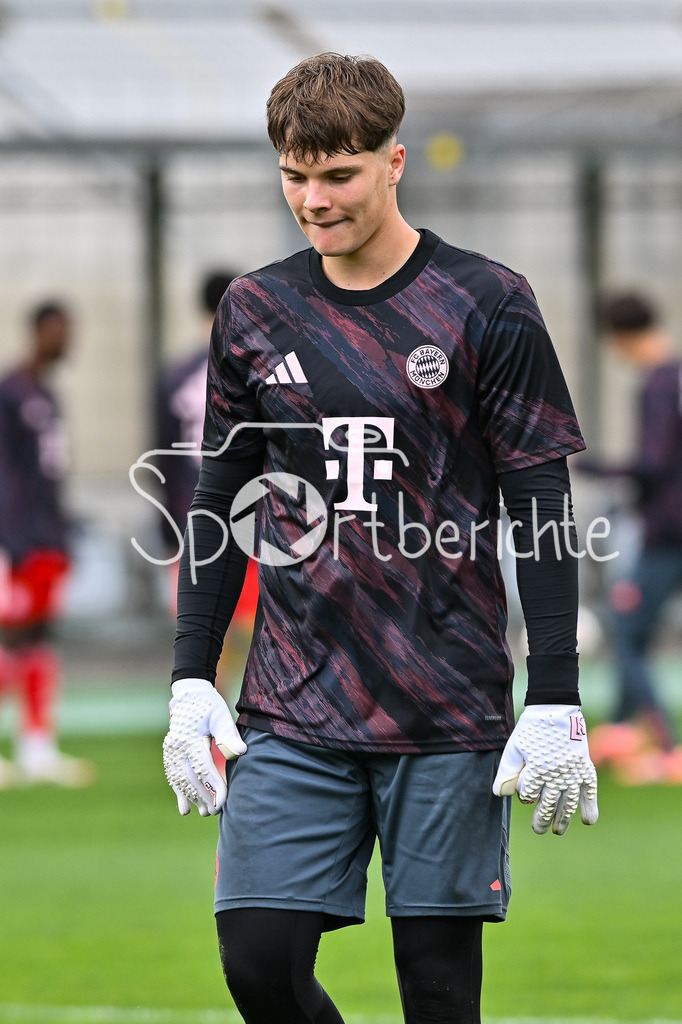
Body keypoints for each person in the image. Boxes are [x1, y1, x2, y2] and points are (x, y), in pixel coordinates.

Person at [162, 53, 598, 1024]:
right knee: (258, 961)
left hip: (445, 705)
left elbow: (541, 507)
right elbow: (219, 501)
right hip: (292, 701)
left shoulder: (488, 301)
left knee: (437, 991)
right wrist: (191, 677)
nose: (313, 200)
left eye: (338, 174)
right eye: (294, 176)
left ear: (394, 162)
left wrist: (556, 694)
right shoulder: (255, 309)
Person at [583, 291, 682, 784]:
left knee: (624, 629)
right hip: (670, 529)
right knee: (635, 629)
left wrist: (593, 467)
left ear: (620, 338)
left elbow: (652, 466)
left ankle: (670, 750)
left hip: (668, 532)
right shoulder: (675, 376)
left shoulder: (658, 385)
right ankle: (623, 730)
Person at [0, 301, 94, 787]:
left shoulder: (47, 394)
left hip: (46, 538)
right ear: (38, 331)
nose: (67, 340)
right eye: (60, 330)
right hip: (18, 540)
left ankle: (36, 745)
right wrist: (11, 537)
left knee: (38, 637)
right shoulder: (10, 392)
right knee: (11, 638)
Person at [156, 271, 259, 697]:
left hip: (191, 518)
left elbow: (161, 458)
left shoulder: (175, 376)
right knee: (255, 630)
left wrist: (167, 535)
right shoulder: (257, 368)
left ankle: (211, 715)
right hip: (252, 517)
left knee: (207, 633)